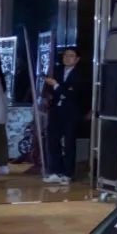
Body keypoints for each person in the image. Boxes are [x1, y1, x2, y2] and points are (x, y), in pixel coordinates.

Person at [43, 46, 87, 185]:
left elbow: (72, 94)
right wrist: (53, 91)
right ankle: (55, 171)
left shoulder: (80, 74)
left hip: (71, 113)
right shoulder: (57, 71)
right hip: (56, 110)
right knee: (52, 140)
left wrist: (57, 86)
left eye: (71, 56)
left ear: (77, 59)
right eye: (65, 55)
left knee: (69, 143)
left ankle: (68, 173)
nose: (67, 58)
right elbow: (50, 89)